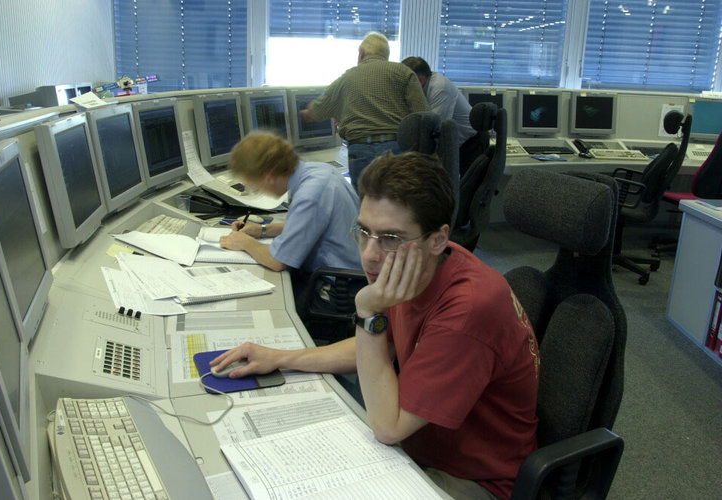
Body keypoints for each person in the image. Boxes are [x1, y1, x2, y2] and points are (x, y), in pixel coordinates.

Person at [212, 151, 540, 499]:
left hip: (472, 478)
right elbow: (383, 345)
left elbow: (388, 427)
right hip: (420, 444)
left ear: (438, 239)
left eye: (391, 238)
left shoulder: (467, 308)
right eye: (364, 232)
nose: (369, 254)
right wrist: (282, 357)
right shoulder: (422, 267)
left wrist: (368, 311)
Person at [218, 131, 362, 306]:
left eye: (253, 183)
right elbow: (308, 226)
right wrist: (262, 230)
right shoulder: (318, 172)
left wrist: (244, 242)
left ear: (268, 176)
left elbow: (277, 261)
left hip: (338, 291)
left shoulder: (311, 193)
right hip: (350, 278)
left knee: (264, 303)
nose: (254, 189)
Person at [299, 32, 429, 190]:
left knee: (366, 205)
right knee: (396, 203)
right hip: (396, 149)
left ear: (361, 54)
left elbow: (317, 111)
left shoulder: (347, 77)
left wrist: (305, 113)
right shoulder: (404, 72)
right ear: (385, 56)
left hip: (360, 151)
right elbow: (423, 116)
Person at [401, 56, 482, 176]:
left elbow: (434, 129)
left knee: (461, 190)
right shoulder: (423, 87)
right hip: (454, 142)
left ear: (420, 79)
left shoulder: (440, 88)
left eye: (405, 81)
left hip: (469, 144)